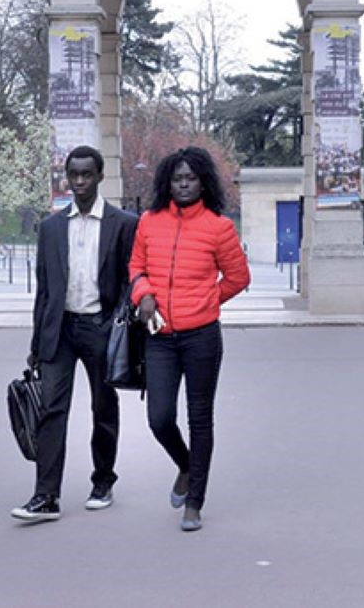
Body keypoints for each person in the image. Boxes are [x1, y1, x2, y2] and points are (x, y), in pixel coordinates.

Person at [12, 146, 138, 522]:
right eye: (73, 175)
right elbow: (44, 289)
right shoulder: (51, 227)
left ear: (100, 176)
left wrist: (115, 323)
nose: (79, 181)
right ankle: (45, 496)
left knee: (103, 407)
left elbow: (132, 280)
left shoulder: (123, 224)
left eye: (86, 174)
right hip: (60, 330)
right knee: (52, 409)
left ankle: (103, 481)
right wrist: (37, 343)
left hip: (100, 327)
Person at [129, 147, 250, 532]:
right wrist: (144, 294)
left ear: (203, 182)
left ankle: (195, 501)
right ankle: (185, 465)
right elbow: (136, 266)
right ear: (167, 183)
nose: (183, 185)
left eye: (191, 178)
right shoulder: (149, 222)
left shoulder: (219, 227)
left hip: (201, 338)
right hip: (159, 336)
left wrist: (207, 300)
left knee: (200, 419)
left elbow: (238, 277)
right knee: (159, 417)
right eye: (177, 179)